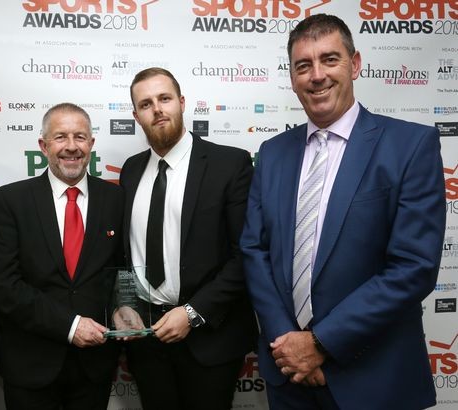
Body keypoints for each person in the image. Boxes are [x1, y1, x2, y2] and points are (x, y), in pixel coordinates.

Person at [240, 14, 446, 410]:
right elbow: (254, 249)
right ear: (293, 76)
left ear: (354, 64)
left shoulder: (410, 145)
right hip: (288, 377)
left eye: (329, 59)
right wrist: (290, 346)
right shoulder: (272, 153)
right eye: (304, 65)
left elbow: (413, 266)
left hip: (373, 377)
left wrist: (320, 344)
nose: (317, 75)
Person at [118, 67, 257, 410]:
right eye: (146, 104)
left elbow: (246, 255)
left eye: (165, 99)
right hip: (147, 342)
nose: (158, 109)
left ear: (181, 103)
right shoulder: (131, 170)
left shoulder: (230, 164)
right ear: (137, 116)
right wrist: (123, 303)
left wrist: (193, 313)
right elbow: (125, 253)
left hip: (209, 339)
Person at [0, 103, 124, 410]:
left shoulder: (116, 198)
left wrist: (124, 306)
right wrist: (70, 325)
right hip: (31, 362)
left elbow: (121, 270)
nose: (71, 147)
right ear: (43, 145)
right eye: (60, 137)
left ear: (91, 144)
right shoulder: (12, 200)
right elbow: (2, 283)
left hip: (94, 365)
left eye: (80, 137)